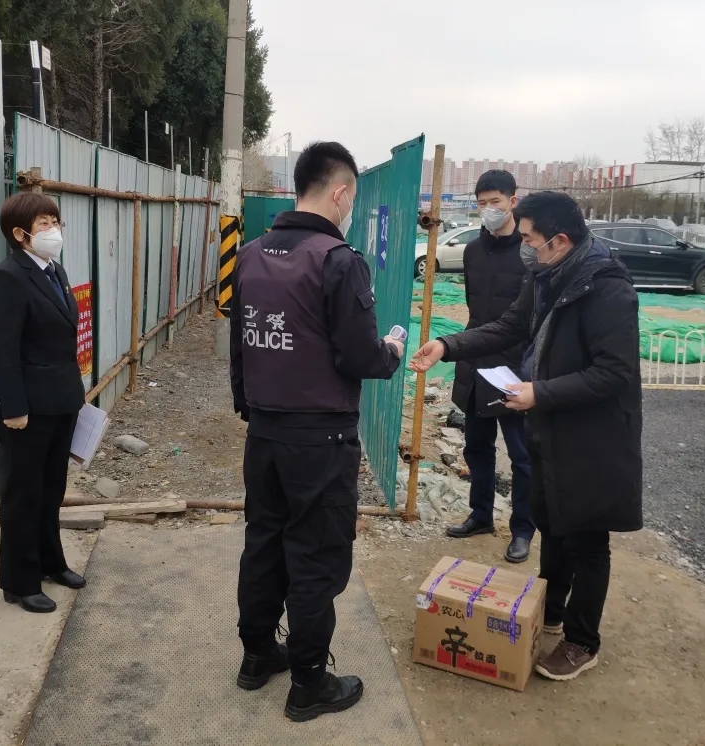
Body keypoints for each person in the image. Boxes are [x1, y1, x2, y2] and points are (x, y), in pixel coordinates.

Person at [410, 190, 642, 681]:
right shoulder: (546, 277)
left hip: (592, 436)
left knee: (587, 539)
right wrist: (447, 345)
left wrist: (541, 392)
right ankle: (550, 610)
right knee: (552, 522)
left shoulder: (607, 288)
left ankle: (582, 641)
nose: (525, 247)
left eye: (531, 239)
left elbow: (615, 373)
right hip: (550, 424)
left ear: (560, 240)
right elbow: (510, 326)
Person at [230, 141, 404, 721]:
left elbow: (241, 343)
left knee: (264, 541)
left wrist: (249, 407)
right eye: (351, 197)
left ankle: (257, 654)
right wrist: (391, 351)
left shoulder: (251, 254)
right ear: (340, 192)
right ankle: (309, 682)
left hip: (265, 431)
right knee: (315, 554)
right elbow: (359, 355)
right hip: (320, 439)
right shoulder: (338, 260)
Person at [0, 193, 87, 614]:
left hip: (60, 400)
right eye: (44, 223)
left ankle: (50, 562)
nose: (53, 230)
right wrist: (13, 408)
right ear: (20, 233)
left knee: (51, 488)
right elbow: (3, 350)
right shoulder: (7, 277)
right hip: (27, 408)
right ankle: (19, 581)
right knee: (25, 494)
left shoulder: (54, 270)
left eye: (55, 222)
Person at [445, 170, 535, 564]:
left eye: (495, 202)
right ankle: (480, 515)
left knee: (522, 455)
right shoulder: (472, 251)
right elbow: (474, 306)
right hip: (475, 360)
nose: (488, 210)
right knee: (477, 447)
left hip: (515, 367)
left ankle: (523, 529)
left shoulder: (529, 253)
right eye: (481, 203)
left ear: (513, 201)